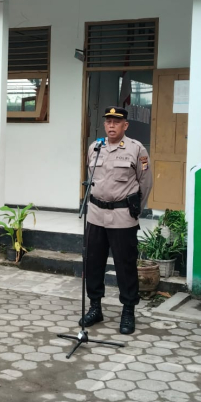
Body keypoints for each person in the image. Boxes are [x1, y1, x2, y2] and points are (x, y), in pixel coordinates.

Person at [80, 106, 153, 334]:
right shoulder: (95, 147)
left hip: (122, 216)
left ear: (125, 125)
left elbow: (146, 183)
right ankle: (95, 307)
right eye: (108, 121)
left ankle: (128, 311)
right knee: (93, 263)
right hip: (96, 214)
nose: (111, 125)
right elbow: (91, 178)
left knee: (125, 265)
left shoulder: (136, 149)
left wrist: (134, 209)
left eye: (116, 121)